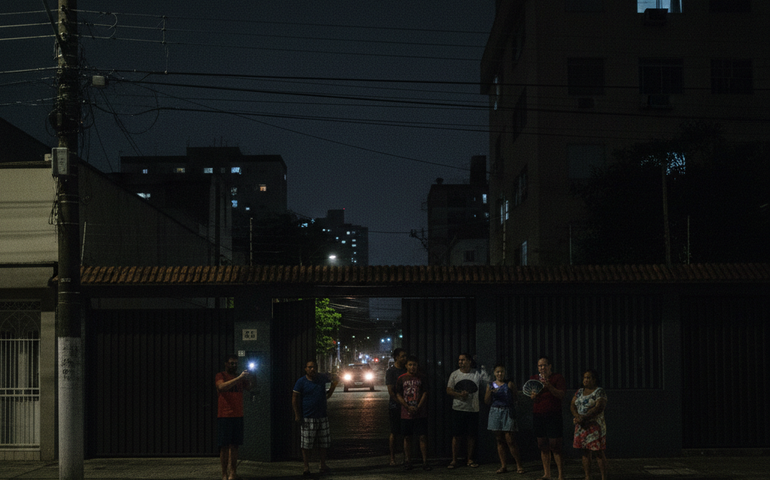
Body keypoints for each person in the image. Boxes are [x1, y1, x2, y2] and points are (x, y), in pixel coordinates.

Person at [292, 360, 339, 476]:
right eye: (310, 367)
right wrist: (297, 414)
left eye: (314, 367)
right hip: (308, 417)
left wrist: (333, 385)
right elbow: (294, 398)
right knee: (306, 444)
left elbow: (335, 379)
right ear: (305, 369)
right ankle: (306, 467)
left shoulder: (321, 378)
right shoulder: (301, 382)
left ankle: (322, 465)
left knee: (324, 443)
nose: (312, 369)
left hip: (322, 416)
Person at [445, 352, 489, 469]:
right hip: (458, 409)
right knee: (456, 435)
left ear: (469, 361)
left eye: (463, 360)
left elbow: (488, 381)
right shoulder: (455, 374)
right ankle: (454, 460)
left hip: (473, 409)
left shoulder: (476, 374)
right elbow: (448, 390)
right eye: (459, 360)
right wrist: (459, 395)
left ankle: (470, 459)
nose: (460, 362)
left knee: (471, 436)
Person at [215, 354, 255, 480]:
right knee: (224, 446)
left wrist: (253, 375)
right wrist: (239, 378)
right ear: (226, 364)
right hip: (225, 415)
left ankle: (233, 472)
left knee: (235, 445)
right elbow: (221, 387)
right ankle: (224, 474)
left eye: (236, 363)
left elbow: (250, 387)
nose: (234, 366)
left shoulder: (240, 377)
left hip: (238, 415)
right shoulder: (220, 375)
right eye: (231, 363)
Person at [530, 356, 566, 480]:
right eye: (540, 366)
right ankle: (547, 474)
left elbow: (561, 395)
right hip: (539, 415)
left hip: (553, 415)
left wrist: (549, 386)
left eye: (544, 365)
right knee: (542, 444)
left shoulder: (557, 378)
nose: (542, 368)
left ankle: (560, 475)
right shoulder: (534, 379)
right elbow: (533, 396)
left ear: (550, 366)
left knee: (555, 445)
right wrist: (534, 396)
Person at [484, 364, 524, 474]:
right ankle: (503, 465)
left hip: (507, 411)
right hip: (495, 411)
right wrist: (490, 392)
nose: (499, 374)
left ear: (504, 372)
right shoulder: (491, 385)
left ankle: (519, 465)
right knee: (499, 440)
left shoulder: (509, 384)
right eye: (497, 372)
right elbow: (486, 401)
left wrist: (513, 412)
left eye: (501, 372)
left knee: (510, 440)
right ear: (494, 373)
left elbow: (516, 399)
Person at [395, 355, 431, 471]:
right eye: (410, 365)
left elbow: (425, 393)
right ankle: (408, 461)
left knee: (422, 437)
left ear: (417, 366)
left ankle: (425, 462)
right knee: (407, 437)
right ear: (406, 366)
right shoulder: (401, 378)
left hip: (420, 413)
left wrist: (418, 406)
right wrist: (406, 406)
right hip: (406, 413)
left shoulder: (422, 378)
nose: (412, 367)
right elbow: (398, 394)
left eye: (414, 365)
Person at [570, 370, 608, 480]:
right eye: (585, 378)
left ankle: (604, 477)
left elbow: (598, 407)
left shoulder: (599, 392)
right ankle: (587, 477)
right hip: (581, 426)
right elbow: (572, 405)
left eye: (589, 378)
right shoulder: (579, 392)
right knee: (585, 452)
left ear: (594, 379)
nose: (586, 380)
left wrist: (583, 417)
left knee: (598, 452)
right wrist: (577, 416)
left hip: (594, 426)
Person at [386, 347, 408, 466]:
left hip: (406, 406)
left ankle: (406, 457)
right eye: (402, 356)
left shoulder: (407, 369)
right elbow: (391, 391)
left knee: (406, 433)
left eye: (405, 356)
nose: (404, 358)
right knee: (394, 432)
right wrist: (401, 403)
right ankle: (392, 458)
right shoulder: (391, 371)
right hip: (395, 406)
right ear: (396, 357)